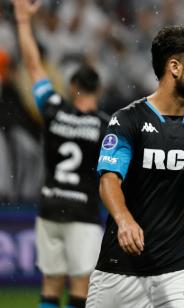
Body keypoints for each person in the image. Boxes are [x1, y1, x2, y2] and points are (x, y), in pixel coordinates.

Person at [86, 25, 184, 308]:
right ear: (174, 67)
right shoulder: (127, 120)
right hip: (120, 266)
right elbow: (109, 180)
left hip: (177, 269)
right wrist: (124, 220)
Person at [12, 1, 108, 307]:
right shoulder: (105, 126)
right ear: (98, 90)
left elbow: (34, 66)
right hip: (84, 211)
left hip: (51, 205)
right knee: (81, 285)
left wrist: (23, 22)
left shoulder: (53, 109)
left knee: (50, 285)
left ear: (72, 87)